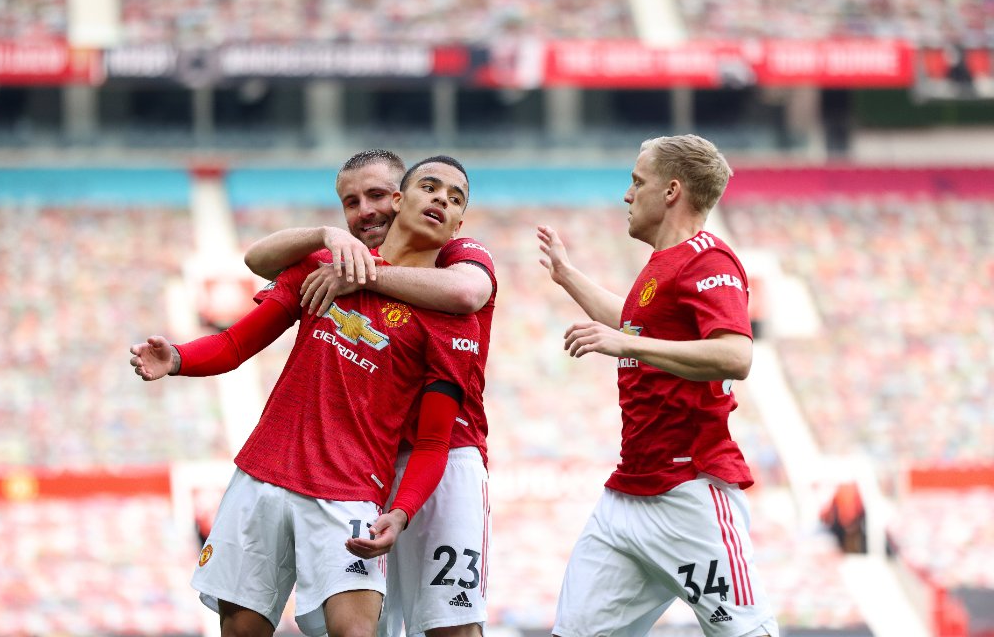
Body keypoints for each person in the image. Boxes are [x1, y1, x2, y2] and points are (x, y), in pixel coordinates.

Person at [129, 155, 481, 637]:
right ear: (404, 200)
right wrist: (178, 360)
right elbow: (234, 343)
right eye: (351, 202)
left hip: (351, 491)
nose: (440, 199)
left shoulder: (450, 313)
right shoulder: (323, 267)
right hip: (263, 474)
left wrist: (401, 512)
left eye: (454, 197)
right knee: (240, 629)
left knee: (355, 632)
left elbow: (433, 440)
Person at [244, 149, 496, 637]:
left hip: (446, 457)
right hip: (362, 465)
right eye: (354, 202)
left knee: (451, 623)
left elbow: (468, 294)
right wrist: (328, 239)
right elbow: (257, 262)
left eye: (378, 196)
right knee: (369, 626)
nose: (369, 211)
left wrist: (362, 274)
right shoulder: (342, 261)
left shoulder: (459, 255)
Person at [537, 134, 778, 637]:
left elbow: (736, 355)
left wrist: (629, 346)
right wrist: (566, 275)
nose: (627, 194)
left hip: (688, 493)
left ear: (671, 191)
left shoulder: (709, 259)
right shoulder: (660, 267)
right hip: (627, 494)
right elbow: (631, 325)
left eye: (636, 181)